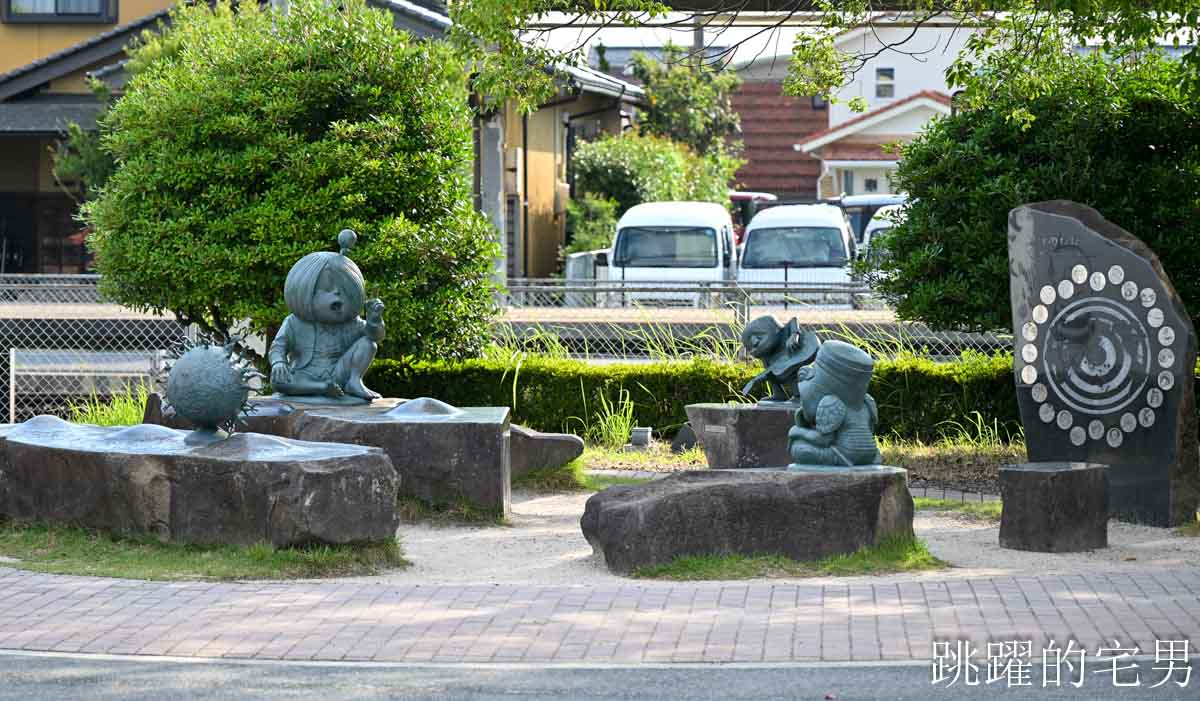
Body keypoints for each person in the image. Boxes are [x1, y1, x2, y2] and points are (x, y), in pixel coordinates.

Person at [268, 230, 385, 401]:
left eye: (343, 290)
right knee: (278, 381)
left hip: (339, 372)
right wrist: (279, 362)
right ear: (304, 293)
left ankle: (353, 381)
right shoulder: (295, 322)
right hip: (305, 375)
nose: (337, 294)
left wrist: (374, 320)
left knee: (368, 344)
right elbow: (278, 346)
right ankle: (322, 388)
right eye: (327, 289)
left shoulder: (351, 322)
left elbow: (374, 336)